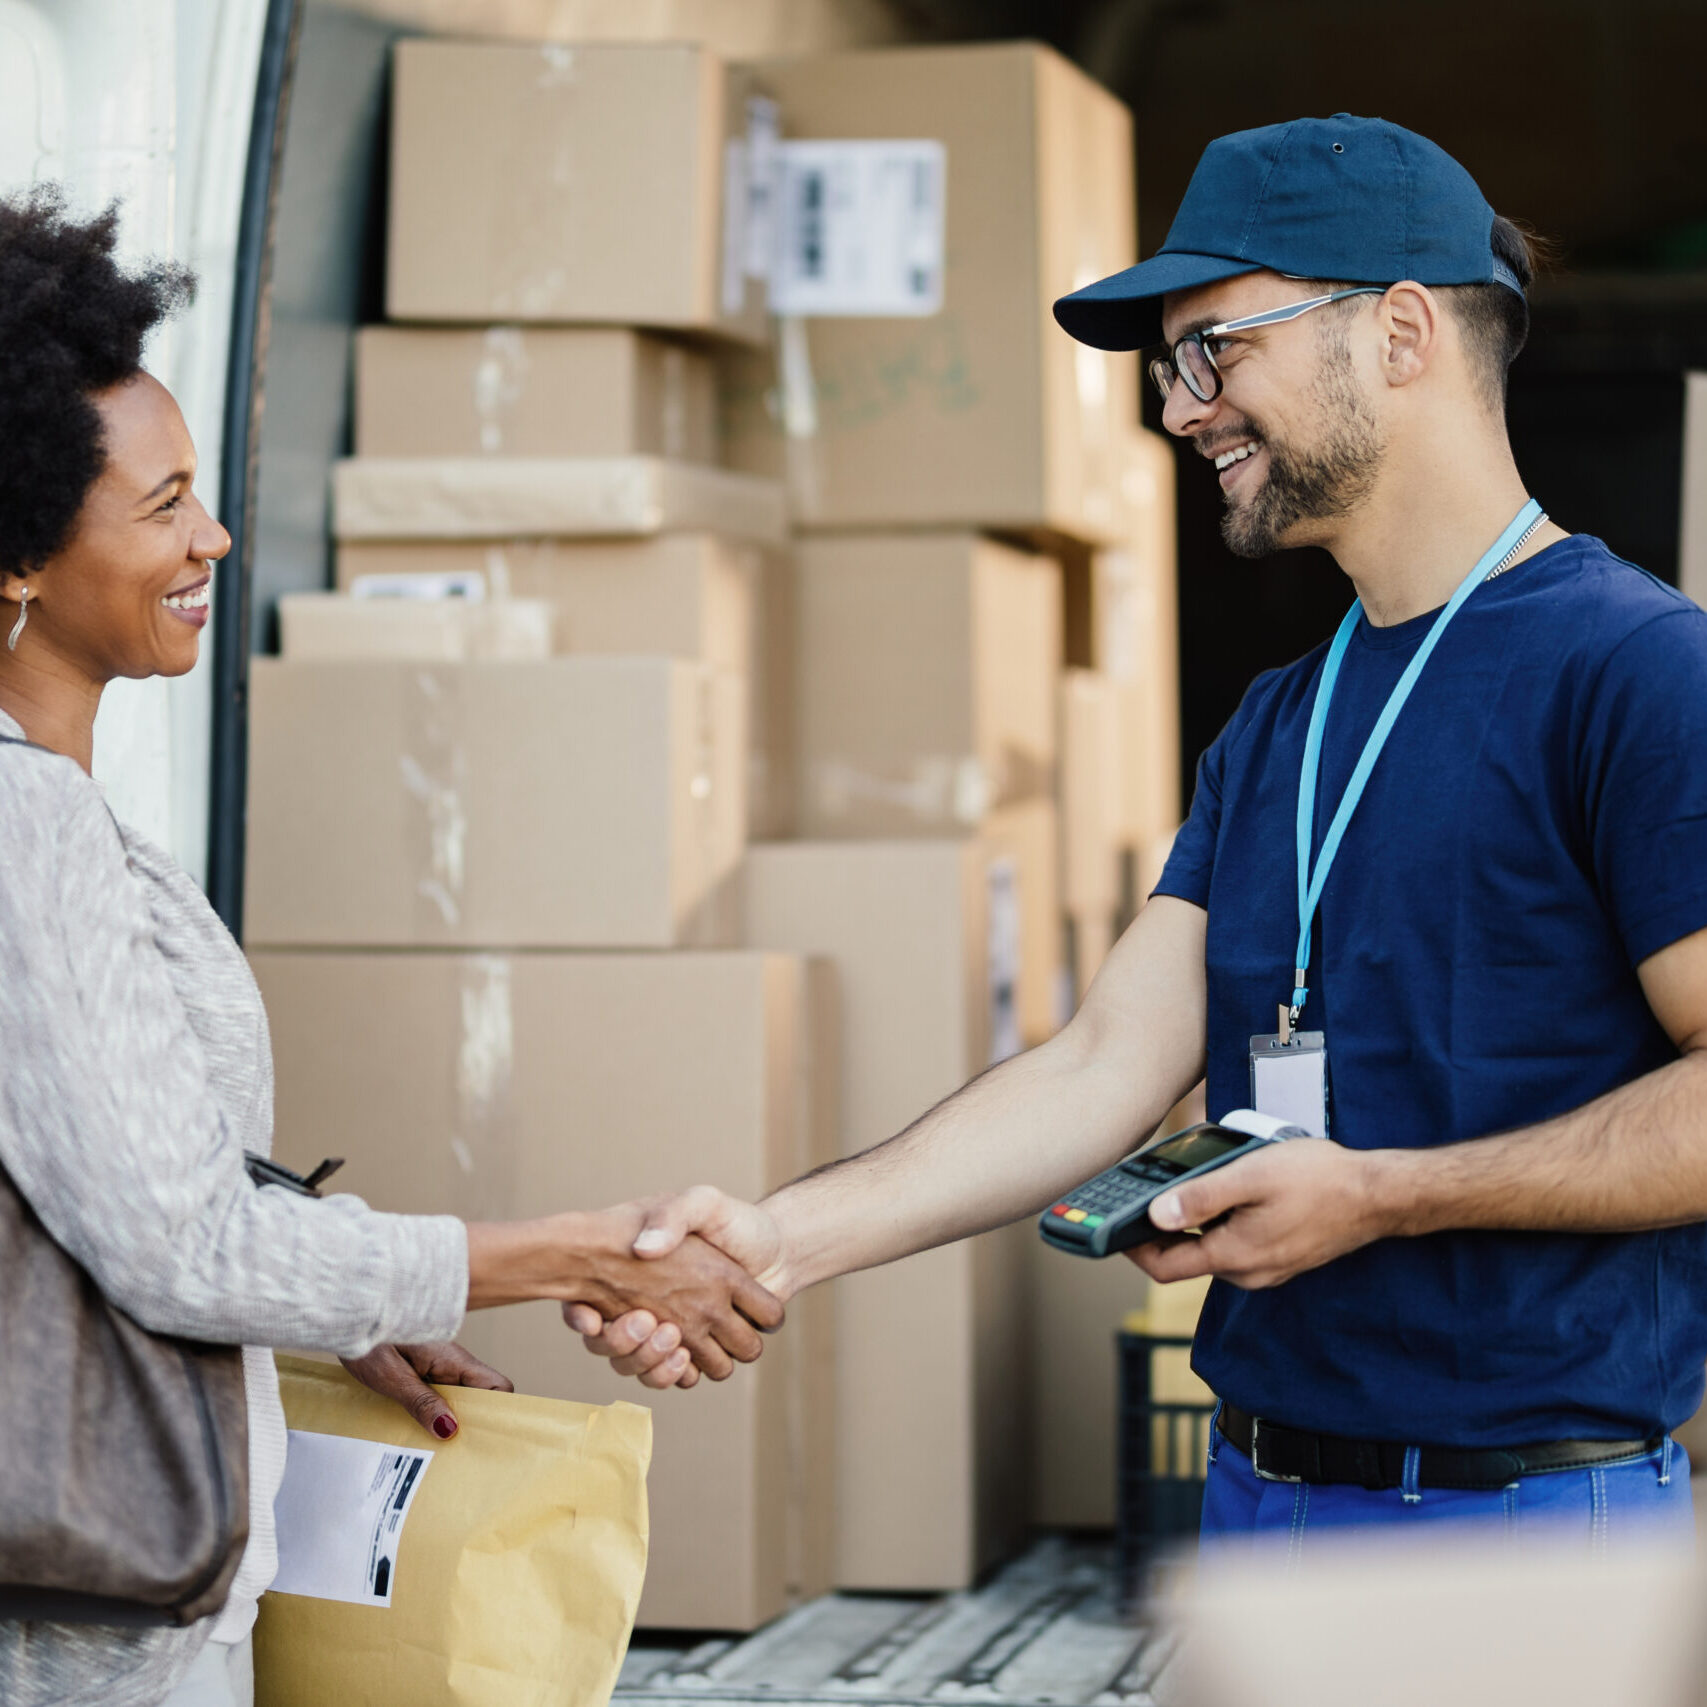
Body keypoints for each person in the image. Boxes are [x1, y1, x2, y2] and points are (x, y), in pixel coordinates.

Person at [571, 116, 1707, 1544]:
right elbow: (1107, 1062)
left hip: (1524, 1522)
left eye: (1214, 349)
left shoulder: (1642, 674)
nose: (1181, 410)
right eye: (1174, 367)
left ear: (1402, 332)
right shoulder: (1280, 722)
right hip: (1259, 1494)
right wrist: (776, 1242)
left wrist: (1382, 1197)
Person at [0, 186, 781, 1707]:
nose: (216, 535)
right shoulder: (22, 829)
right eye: (161, 508)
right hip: (75, 1625)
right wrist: (553, 1255)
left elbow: (119, 1184)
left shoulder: (70, 815)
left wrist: (336, 1316)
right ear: (16, 560)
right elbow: (182, 1245)